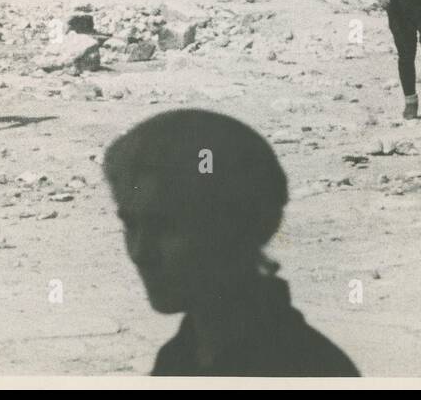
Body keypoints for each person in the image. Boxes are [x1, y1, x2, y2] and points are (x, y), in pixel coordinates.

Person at [103, 109, 359, 377]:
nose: (140, 252)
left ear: (237, 227)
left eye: (165, 226)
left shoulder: (308, 370)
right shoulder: (180, 358)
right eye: (131, 224)